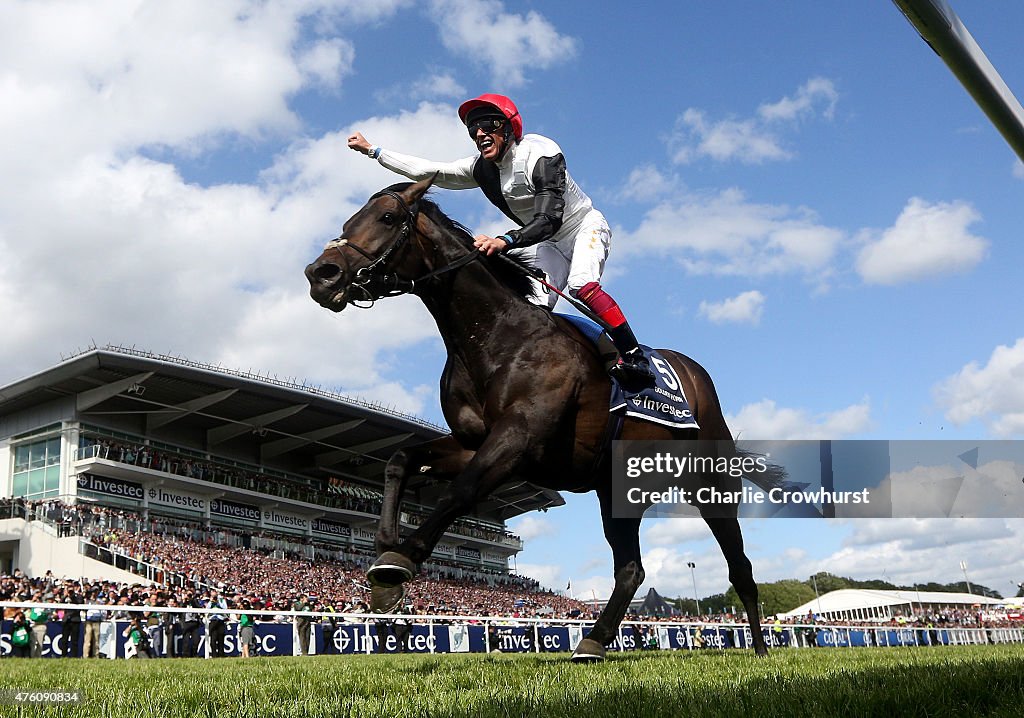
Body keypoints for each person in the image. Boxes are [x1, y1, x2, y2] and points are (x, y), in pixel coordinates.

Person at [348, 93, 654, 382]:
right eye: (472, 129)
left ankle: (634, 355)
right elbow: (430, 170)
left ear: (509, 127)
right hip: (549, 244)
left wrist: (505, 240)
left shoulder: (540, 152)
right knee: (531, 306)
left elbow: (549, 219)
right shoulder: (480, 169)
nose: (479, 133)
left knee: (581, 286)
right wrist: (375, 152)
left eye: (487, 125)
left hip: (583, 228)